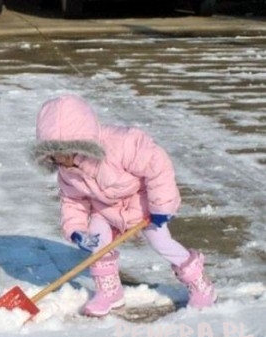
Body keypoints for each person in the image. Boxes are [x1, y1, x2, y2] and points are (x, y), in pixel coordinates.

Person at [31, 94, 216, 317]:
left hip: (143, 203)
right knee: (98, 244)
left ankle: (200, 285)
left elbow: (157, 165)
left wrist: (161, 207)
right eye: (53, 155)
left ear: (81, 143)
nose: (60, 161)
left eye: (63, 153)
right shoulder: (66, 171)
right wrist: (77, 231)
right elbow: (73, 200)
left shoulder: (122, 144)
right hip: (106, 209)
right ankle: (109, 293)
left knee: (162, 243)